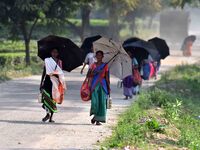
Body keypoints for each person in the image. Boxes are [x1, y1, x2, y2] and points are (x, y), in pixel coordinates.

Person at [40, 49, 66, 123]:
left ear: (58, 53)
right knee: (45, 97)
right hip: (47, 81)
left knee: (53, 99)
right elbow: (44, 72)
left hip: (55, 82)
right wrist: (41, 82)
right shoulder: (47, 61)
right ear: (51, 52)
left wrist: (55, 74)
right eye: (53, 52)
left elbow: (60, 73)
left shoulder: (59, 62)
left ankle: (50, 117)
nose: (54, 53)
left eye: (56, 52)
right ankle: (47, 114)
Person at [87, 50, 110, 125]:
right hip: (94, 85)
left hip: (103, 85)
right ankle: (95, 117)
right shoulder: (93, 65)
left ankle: (97, 119)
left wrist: (108, 87)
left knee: (102, 102)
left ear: (102, 57)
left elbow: (107, 77)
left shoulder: (105, 66)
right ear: (96, 56)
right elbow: (88, 75)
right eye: (97, 55)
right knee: (95, 102)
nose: (99, 57)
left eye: (100, 55)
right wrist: (95, 72)